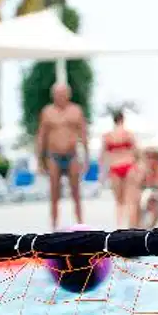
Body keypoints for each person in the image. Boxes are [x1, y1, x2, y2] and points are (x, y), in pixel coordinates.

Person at [37, 82, 88, 229]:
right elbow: (41, 136)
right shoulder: (47, 112)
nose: (60, 97)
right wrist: (40, 160)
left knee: (76, 192)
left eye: (63, 94)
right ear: (53, 95)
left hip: (72, 155)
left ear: (68, 94)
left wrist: (86, 158)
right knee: (54, 192)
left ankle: (81, 225)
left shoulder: (76, 110)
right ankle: (54, 226)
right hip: (53, 156)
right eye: (57, 94)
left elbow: (83, 134)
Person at [100, 111, 138, 228]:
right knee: (129, 199)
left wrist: (102, 174)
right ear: (123, 119)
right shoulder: (128, 134)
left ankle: (119, 225)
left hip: (115, 166)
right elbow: (137, 152)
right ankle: (130, 226)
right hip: (128, 165)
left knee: (118, 201)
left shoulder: (107, 136)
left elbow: (103, 156)